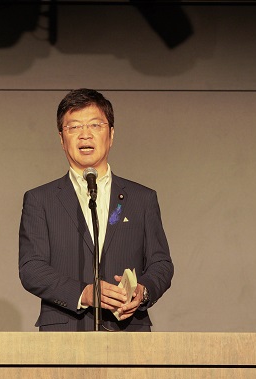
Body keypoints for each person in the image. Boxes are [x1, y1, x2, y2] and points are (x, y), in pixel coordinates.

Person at [18, 88, 173, 331]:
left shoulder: (142, 198)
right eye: (74, 127)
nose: (85, 135)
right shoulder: (40, 200)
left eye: (95, 125)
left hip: (128, 329)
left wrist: (143, 291)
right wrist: (84, 293)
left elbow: (161, 263)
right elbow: (32, 269)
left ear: (111, 134)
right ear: (61, 139)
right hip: (65, 332)